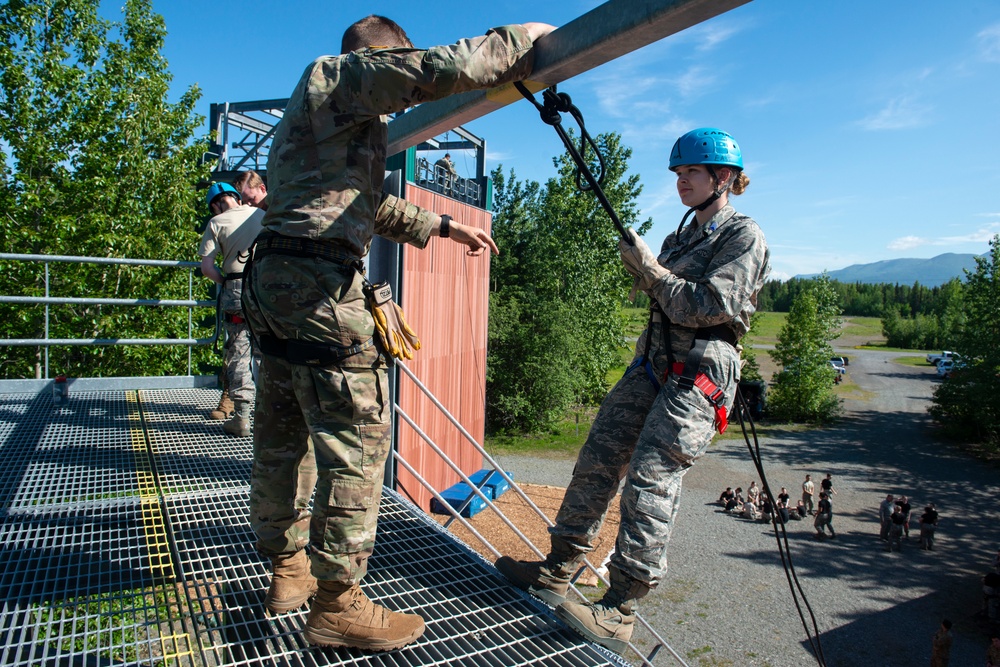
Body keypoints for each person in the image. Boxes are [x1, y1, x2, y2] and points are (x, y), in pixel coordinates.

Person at [240, 16, 556, 651]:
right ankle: (337, 606)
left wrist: (441, 225)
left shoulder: (320, 121)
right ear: (379, 58)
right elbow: (433, 70)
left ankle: (287, 573)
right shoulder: (339, 75)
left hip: (276, 280)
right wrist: (522, 40)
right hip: (320, 289)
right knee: (354, 449)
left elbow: (361, 203)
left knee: (283, 437)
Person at [494, 127, 770, 653]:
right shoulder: (680, 237)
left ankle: (620, 607)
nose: (680, 181)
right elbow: (666, 299)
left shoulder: (743, 236)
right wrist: (650, 270)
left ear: (724, 178)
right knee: (599, 455)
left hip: (702, 367)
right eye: (678, 173)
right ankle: (559, 568)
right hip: (654, 361)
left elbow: (708, 307)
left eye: (690, 172)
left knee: (651, 472)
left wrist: (650, 271)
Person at [198, 182, 264, 437]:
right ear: (235, 197)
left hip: (236, 288)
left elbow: (207, 268)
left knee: (239, 351)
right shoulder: (261, 215)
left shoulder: (216, 223)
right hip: (265, 286)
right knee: (266, 350)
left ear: (215, 205)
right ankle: (271, 413)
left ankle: (242, 418)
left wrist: (226, 281)